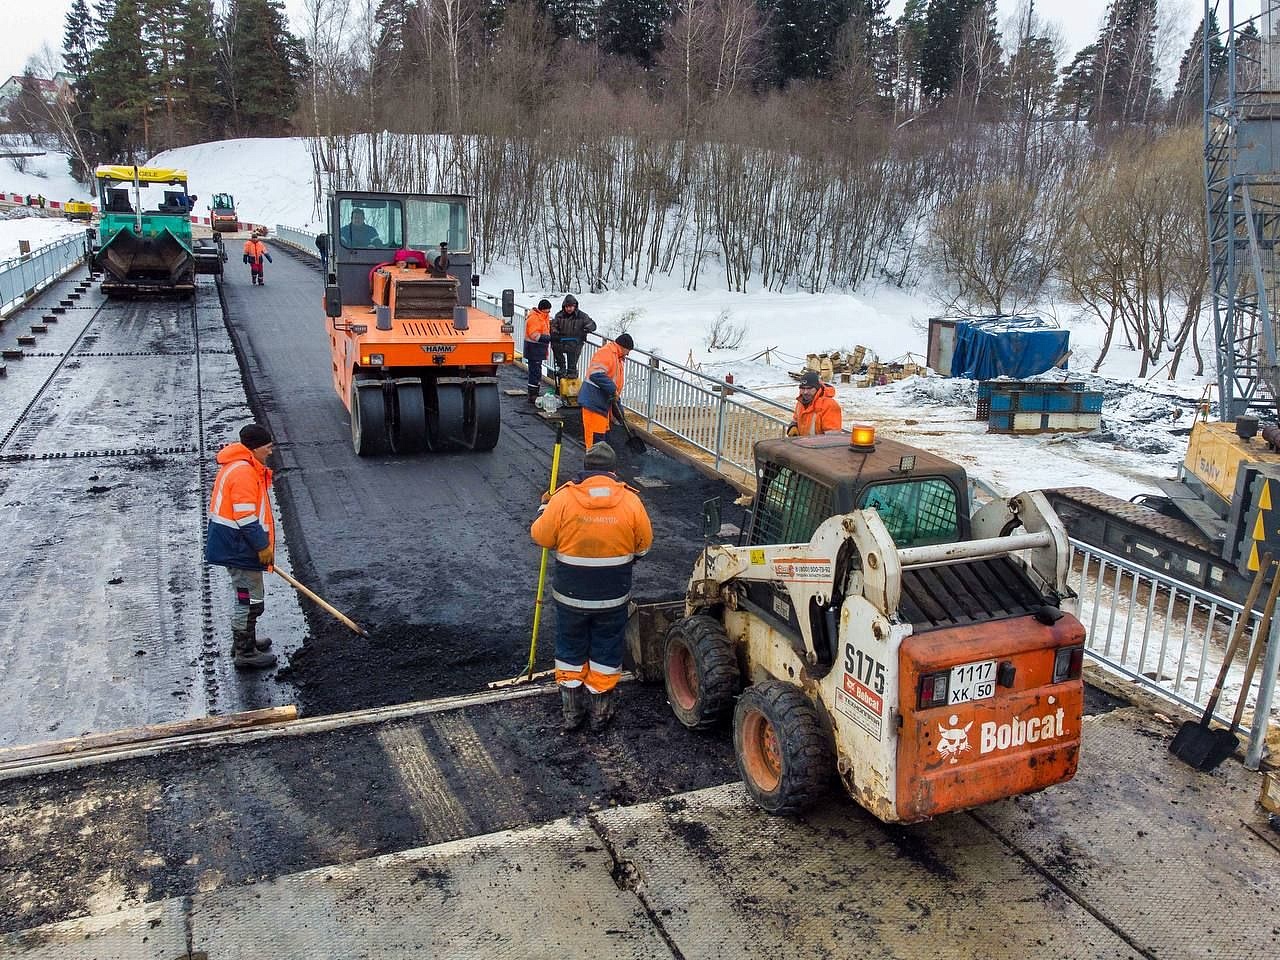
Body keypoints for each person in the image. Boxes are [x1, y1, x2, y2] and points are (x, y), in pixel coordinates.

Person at [531, 442, 653, 733]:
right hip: (613, 596)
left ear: (585, 469)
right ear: (612, 470)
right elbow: (644, 546)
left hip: (570, 596)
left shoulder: (563, 499)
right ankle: (600, 714)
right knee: (606, 649)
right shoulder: (630, 501)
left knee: (570, 647)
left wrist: (544, 506)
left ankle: (572, 714)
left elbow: (541, 537)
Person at [205, 424, 279, 670]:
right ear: (255, 448)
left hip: (234, 545)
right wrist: (262, 547)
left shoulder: (240, 466)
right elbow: (245, 517)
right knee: (249, 600)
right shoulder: (243, 473)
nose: (270, 452)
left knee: (246, 597)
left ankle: (244, 642)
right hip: (239, 547)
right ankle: (245, 653)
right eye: (268, 447)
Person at [578, 333, 633, 451]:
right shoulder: (606, 353)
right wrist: (613, 390)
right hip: (594, 403)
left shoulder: (617, 358)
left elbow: (614, 389)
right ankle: (593, 465)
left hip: (602, 404)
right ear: (623, 347)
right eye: (628, 351)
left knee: (601, 439)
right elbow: (595, 374)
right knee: (595, 440)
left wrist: (619, 412)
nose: (628, 354)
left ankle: (598, 464)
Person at [550, 295, 595, 380]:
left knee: (572, 359)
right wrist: (555, 332)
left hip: (576, 343)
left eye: (571, 307)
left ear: (575, 306)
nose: (569, 309)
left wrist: (587, 328)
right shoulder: (559, 315)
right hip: (562, 341)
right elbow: (553, 326)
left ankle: (572, 373)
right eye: (567, 307)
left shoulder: (582, 316)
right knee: (555, 347)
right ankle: (561, 368)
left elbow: (592, 324)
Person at [787, 370, 842, 436]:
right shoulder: (801, 402)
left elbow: (832, 437)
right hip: (802, 444)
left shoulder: (829, 405)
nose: (805, 392)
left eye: (809, 388)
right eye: (803, 388)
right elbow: (795, 419)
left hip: (818, 445)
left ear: (817, 388)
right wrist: (793, 426)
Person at [523, 298, 553, 403]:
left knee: (536, 371)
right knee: (535, 372)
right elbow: (534, 335)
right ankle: (532, 394)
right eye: (547, 311)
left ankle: (534, 392)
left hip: (538, 349)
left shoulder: (543, 317)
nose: (548, 313)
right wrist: (549, 338)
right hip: (533, 349)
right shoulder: (534, 318)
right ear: (542, 310)